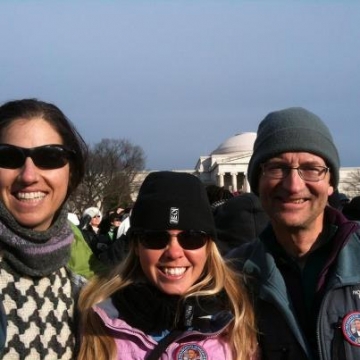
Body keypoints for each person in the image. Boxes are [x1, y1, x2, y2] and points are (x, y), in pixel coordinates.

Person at [78, 171, 258, 360]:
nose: (174, 252)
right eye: (155, 238)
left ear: (208, 246)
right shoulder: (96, 321)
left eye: (191, 237)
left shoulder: (239, 318)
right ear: (136, 246)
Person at [229, 107, 360, 360]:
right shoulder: (232, 276)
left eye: (312, 169)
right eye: (277, 168)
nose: (293, 185)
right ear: (257, 182)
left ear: (331, 182)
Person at [0, 98, 87, 358]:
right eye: (8, 156)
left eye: (49, 157)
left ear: (71, 172)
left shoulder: (85, 296)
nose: (28, 175)